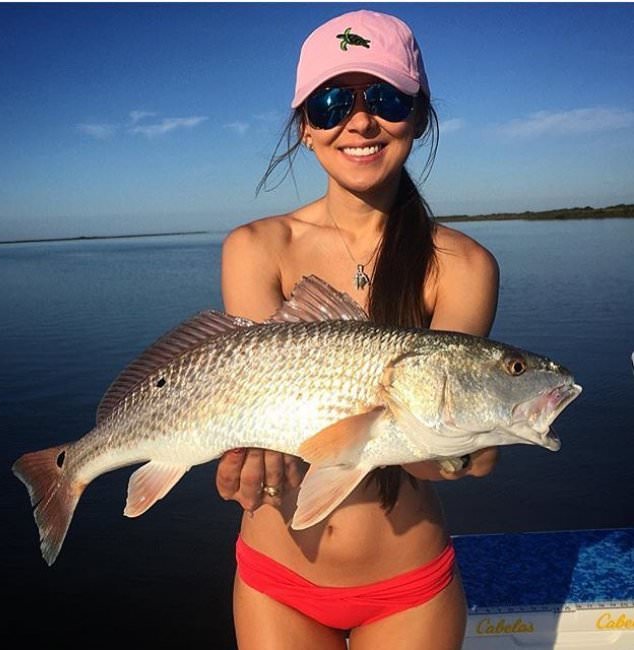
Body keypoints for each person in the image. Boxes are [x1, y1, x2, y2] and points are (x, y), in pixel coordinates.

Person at [216, 9, 499, 650]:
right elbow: (263, 407)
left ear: (419, 117)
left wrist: (463, 448)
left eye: (388, 99)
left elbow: (428, 453)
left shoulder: (466, 265)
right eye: (333, 100)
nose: (361, 121)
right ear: (306, 126)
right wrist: (251, 457)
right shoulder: (257, 247)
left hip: (410, 585)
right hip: (276, 578)